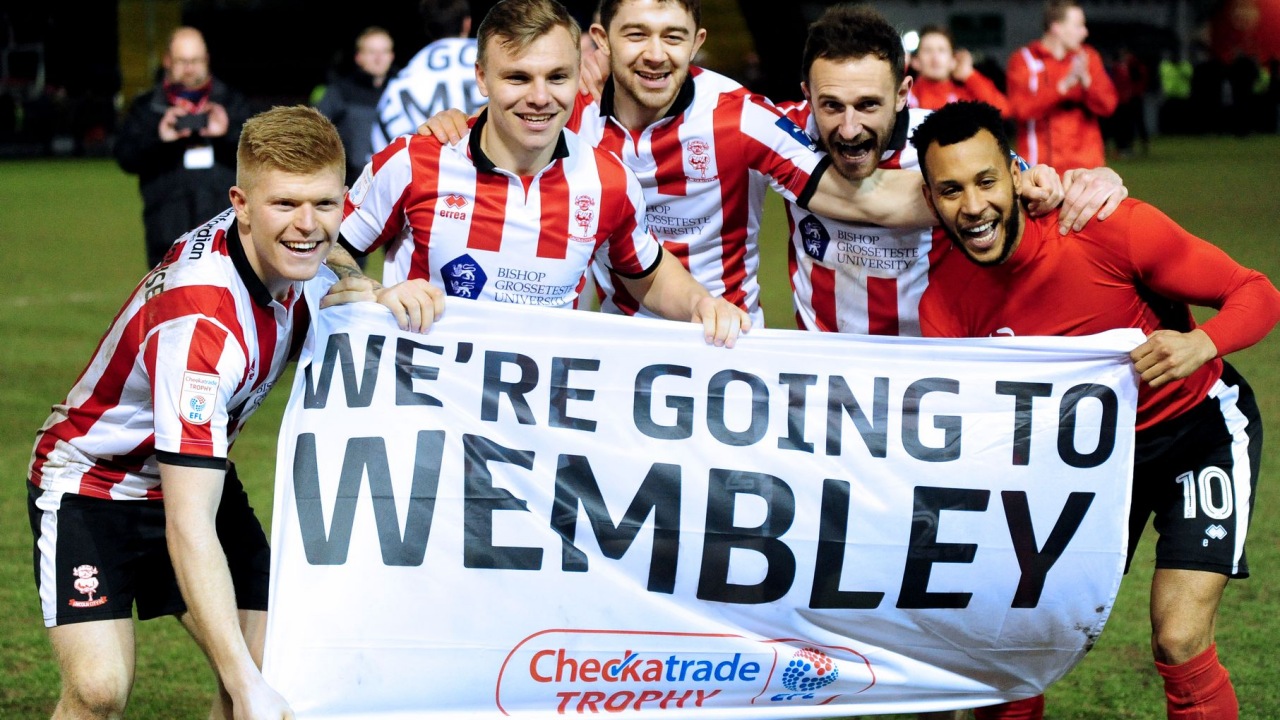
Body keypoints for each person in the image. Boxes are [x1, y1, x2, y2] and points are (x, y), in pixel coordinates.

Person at [28, 105, 432, 720]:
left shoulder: (290, 250)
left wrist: (377, 295)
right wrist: (243, 684)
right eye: (285, 205)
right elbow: (190, 524)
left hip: (190, 472)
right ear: (240, 204)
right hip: (95, 482)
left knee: (276, 669)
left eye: (325, 204)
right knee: (101, 689)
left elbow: (333, 263)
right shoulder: (203, 327)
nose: (307, 226)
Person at [912, 100, 1280, 720]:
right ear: (930, 199)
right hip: (1078, 469)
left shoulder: (1109, 229)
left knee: (1179, 639)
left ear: (1016, 174)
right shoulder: (945, 302)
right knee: (1012, 640)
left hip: (1194, 435)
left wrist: (1201, 344)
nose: (972, 206)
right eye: (951, 190)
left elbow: (1256, 292)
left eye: (985, 181)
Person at [338, 0, 749, 347]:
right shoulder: (414, 161)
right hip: (426, 407)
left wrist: (700, 304)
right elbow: (327, 249)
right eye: (518, 77)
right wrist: (374, 292)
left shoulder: (608, 180)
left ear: (578, 74)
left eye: (557, 77)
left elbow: (647, 274)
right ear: (482, 78)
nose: (540, 97)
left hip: (541, 414)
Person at [776, 4, 1124, 336]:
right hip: (825, 362)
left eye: (868, 104)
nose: (850, 129)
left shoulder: (944, 144)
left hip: (937, 356)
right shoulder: (780, 135)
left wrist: (1097, 181)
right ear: (808, 94)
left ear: (902, 94)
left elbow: (1035, 187)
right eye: (831, 105)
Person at [115, 26, 254, 269]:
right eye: (182, 61)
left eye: (196, 60)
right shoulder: (147, 107)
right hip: (167, 231)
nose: (190, 68)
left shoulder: (232, 102)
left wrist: (227, 133)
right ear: (167, 60)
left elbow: (260, 152)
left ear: (207, 60)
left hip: (227, 230)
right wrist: (159, 137)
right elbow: (125, 157)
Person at [1006, 0, 1117, 172]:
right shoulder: (1024, 60)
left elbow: (1108, 105)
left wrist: (1088, 83)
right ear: (1056, 27)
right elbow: (1020, 109)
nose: (1085, 32)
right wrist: (1061, 89)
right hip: (1039, 169)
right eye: (1078, 26)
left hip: (1086, 169)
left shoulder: (1088, 57)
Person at [371, 0, 486, 155]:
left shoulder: (402, 81)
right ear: (467, 24)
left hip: (426, 167)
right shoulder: (495, 64)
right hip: (495, 167)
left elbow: (380, 154)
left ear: (427, 28)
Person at [317, 26, 396, 187]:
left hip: (395, 182)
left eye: (384, 51)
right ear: (359, 57)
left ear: (391, 56)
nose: (379, 58)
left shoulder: (402, 91)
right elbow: (315, 131)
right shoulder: (340, 91)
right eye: (372, 52)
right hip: (351, 184)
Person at [910, 25, 1010, 116]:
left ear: (953, 60)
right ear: (915, 61)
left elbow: (1003, 110)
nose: (935, 58)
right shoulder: (907, 97)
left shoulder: (963, 99)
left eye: (942, 50)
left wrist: (969, 75)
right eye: (927, 50)